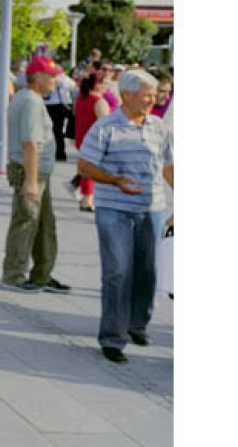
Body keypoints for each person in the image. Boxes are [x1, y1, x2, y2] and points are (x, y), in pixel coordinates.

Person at [77, 70, 174, 364]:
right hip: (114, 210)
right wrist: (114, 180)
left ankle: (137, 324)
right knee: (118, 272)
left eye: (155, 94)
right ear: (127, 95)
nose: (154, 99)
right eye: (147, 94)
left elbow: (169, 166)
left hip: (152, 209)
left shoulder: (159, 128)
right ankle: (112, 338)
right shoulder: (105, 128)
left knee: (147, 272)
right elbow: (84, 166)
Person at [1, 55, 72, 294]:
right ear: (37, 77)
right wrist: (31, 181)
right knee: (27, 221)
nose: (55, 80)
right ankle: (14, 274)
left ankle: (42, 274)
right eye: (50, 76)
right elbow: (30, 143)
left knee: (43, 224)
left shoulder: (28, 97)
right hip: (31, 171)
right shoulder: (30, 101)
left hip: (37, 171)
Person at [71, 71, 112, 212]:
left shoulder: (81, 98)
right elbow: (106, 124)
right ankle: (87, 200)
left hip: (82, 137)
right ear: (97, 85)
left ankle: (85, 198)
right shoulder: (99, 102)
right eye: (105, 83)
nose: (108, 86)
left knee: (87, 169)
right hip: (95, 140)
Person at [46, 66, 76, 161]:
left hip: (50, 104)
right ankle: (60, 153)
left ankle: (56, 152)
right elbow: (73, 86)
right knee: (58, 131)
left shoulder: (50, 78)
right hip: (59, 105)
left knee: (52, 130)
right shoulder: (65, 79)